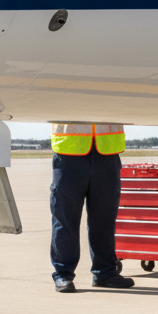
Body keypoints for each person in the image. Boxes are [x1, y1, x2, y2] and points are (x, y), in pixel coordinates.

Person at [49, 123, 134, 293]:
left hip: (107, 152)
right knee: (65, 219)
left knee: (104, 219)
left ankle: (105, 273)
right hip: (69, 151)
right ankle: (63, 274)